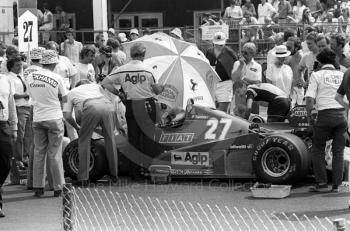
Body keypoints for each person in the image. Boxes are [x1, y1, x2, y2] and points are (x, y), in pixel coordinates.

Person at [102, 43, 164, 179]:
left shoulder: (122, 69)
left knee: (133, 139)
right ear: (143, 55)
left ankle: (135, 173)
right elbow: (156, 90)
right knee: (148, 138)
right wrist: (162, 88)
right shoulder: (148, 69)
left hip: (131, 104)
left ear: (131, 54)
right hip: (148, 104)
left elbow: (105, 83)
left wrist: (119, 93)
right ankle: (148, 170)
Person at [26, 50, 67, 197]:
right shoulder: (57, 77)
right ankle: (57, 187)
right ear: (54, 63)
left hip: (38, 117)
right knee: (54, 153)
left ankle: (38, 186)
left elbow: (30, 95)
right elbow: (66, 98)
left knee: (39, 152)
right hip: (54, 116)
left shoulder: (30, 76)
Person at [305, 48, 346, 193]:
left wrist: (310, 115)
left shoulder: (316, 75)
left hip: (324, 114)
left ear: (320, 62)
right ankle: (337, 185)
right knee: (338, 151)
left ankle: (321, 184)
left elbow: (309, 98)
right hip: (342, 115)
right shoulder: (342, 74)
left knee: (318, 149)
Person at [63, 80, 118, 185]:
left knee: (84, 142)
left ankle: (83, 178)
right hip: (108, 105)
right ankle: (114, 176)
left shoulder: (70, 92)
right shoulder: (96, 86)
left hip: (91, 107)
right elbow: (109, 99)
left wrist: (77, 127)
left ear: (77, 86)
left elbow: (67, 116)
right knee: (110, 141)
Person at [46, 41, 78, 141]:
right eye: (50, 51)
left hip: (67, 95)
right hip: (52, 98)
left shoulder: (65, 60)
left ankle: (75, 145)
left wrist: (73, 89)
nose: (52, 53)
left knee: (70, 122)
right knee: (55, 124)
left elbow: (74, 75)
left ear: (57, 50)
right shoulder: (44, 64)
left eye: (54, 50)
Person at [22, 47, 45, 190]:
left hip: (30, 104)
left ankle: (31, 179)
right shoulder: (42, 72)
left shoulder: (26, 70)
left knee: (33, 143)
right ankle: (37, 181)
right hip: (40, 107)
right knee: (40, 146)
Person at [6, 56, 32, 171]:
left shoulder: (22, 76)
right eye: (17, 65)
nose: (20, 67)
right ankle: (18, 159)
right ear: (11, 67)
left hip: (28, 107)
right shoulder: (9, 78)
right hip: (19, 107)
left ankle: (25, 157)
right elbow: (12, 95)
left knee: (28, 135)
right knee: (19, 136)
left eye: (21, 64)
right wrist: (25, 95)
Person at [205, 32, 238, 112]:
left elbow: (236, 70)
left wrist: (233, 86)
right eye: (217, 44)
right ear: (213, 43)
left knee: (223, 111)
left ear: (225, 42)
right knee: (211, 108)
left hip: (225, 84)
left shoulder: (230, 53)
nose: (219, 46)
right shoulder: (209, 52)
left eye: (221, 44)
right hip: (211, 84)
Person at [0, 71, 17, 217]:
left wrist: (14, 126)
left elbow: (11, 103)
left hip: (3, 125)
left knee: (6, 163)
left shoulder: (5, 80)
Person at [232, 42, 261, 117]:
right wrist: (241, 66)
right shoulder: (237, 64)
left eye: (245, 53)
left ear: (252, 54)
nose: (243, 54)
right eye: (242, 52)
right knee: (239, 119)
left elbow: (257, 83)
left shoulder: (257, 66)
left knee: (254, 120)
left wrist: (243, 79)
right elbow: (235, 79)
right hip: (240, 97)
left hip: (253, 97)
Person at [285, 37, 304, 106]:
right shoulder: (292, 55)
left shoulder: (299, 56)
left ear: (296, 48)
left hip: (296, 89)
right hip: (292, 88)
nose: (287, 49)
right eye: (286, 47)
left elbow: (297, 75)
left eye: (289, 48)